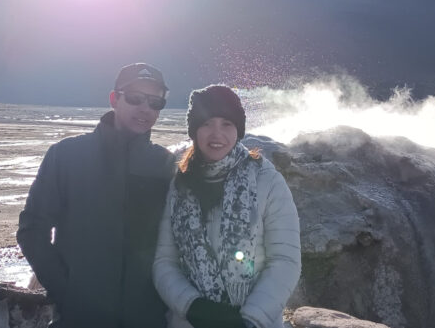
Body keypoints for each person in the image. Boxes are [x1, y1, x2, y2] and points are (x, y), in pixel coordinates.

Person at [17, 63, 176, 328]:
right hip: (80, 317)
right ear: (114, 99)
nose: (145, 108)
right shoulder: (66, 156)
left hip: (148, 318)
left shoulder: (165, 164)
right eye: (135, 98)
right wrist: (66, 291)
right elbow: (33, 230)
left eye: (155, 102)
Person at [154, 85, 301, 328]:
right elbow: (164, 261)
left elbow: (285, 260)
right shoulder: (179, 184)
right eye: (206, 123)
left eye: (227, 124)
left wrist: (250, 319)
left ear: (238, 130)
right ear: (194, 130)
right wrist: (193, 307)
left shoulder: (266, 180)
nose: (216, 134)